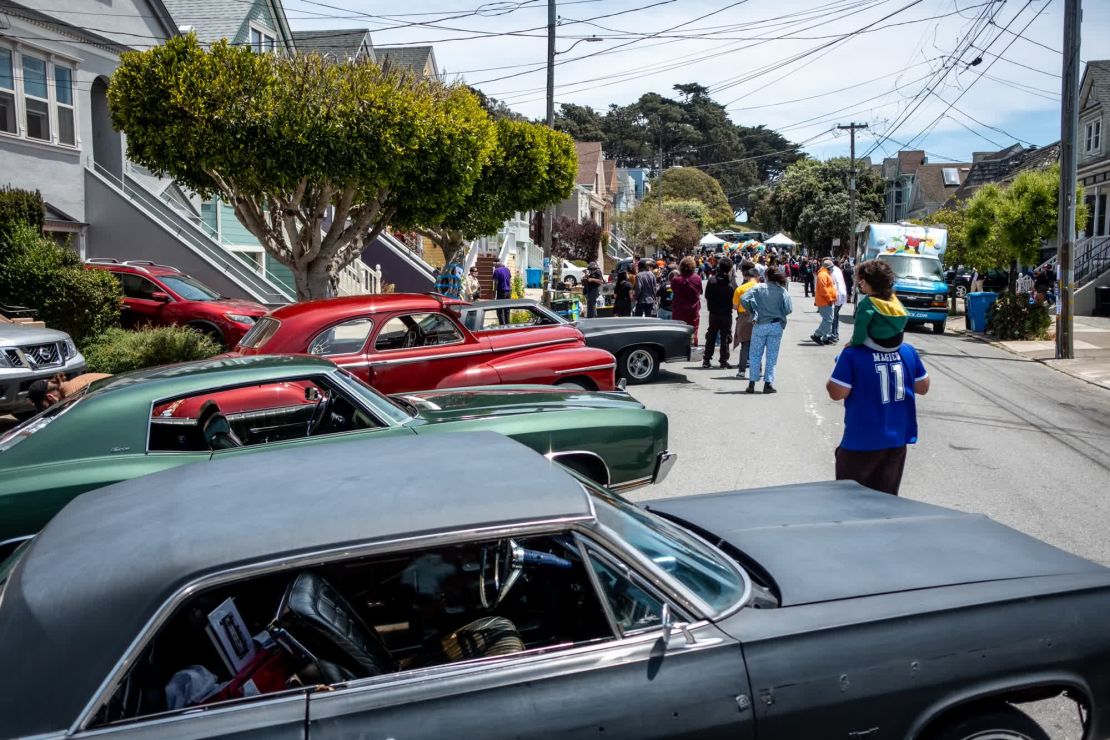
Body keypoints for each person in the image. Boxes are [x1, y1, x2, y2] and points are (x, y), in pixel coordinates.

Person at [826, 340, 930, 495]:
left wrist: (841, 360)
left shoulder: (853, 354)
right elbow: (923, 387)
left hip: (860, 443)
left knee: (850, 503)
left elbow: (836, 392)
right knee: (885, 502)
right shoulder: (907, 350)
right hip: (896, 443)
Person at [741, 267, 793, 394]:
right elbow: (789, 308)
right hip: (776, 325)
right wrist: (780, 313)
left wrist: (753, 309)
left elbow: (743, 299)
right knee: (771, 356)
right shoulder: (782, 291)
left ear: (766, 276)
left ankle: (752, 384)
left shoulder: (758, 288)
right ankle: (768, 384)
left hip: (760, 324)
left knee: (755, 354)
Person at [851, 259, 908, 350]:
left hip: (879, 343)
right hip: (898, 342)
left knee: (847, 353)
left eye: (861, 281)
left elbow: (860, 331)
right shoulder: (892, 298)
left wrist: (852, 343)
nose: (860, 284)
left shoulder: (867, 303)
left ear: (870, 283)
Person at [703, 257, 734, 369]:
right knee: (725, 336)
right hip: (726, 313)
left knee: (711, 335)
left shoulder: (712, 280)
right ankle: (723, 361)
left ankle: (706, 359)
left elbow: (707, 296)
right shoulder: (731, 282)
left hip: (714, 313)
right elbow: (734, 299)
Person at [27, 372, 112, 411]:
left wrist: (59, 407)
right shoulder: (70, 386)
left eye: (45, 407)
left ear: (50, 397)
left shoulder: (73, 394)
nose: (47, 409)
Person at [732, 263, 759, 379]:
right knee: (757, 346)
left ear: (746, 276)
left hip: (744, 318)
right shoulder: (761, 287)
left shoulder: (740, 289)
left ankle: (741, 371)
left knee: (745, 345)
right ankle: (758, 370)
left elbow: (734, 306)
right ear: (757, 277)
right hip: (759, 318)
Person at [670, 256, 703, 346]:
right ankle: (693, 349)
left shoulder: (675, 280)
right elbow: (700, 292)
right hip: (693, 311)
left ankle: (679, 349)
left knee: (678, 331)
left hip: (678, 310)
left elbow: (674, 291)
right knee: (693, 331)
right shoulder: (697, 278)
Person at [812, 259, 838, 344]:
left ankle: (826, 337)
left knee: (829, 319)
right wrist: (830, 299)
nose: (833, 269)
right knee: (828, 320)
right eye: (831, 267)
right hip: (825, 301)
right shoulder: (823, 275)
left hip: (828, 301)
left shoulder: (826, 274)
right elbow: (823, 290)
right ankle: (817, 335)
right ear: (828, 267)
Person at [830, 258, 848, 342]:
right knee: (835, 315)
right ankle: (835, 334)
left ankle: (834, 335)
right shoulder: (838, 270)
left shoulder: (832, 271)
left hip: (837, 296)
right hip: (841, 294)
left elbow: (833, 285)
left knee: (833, 316)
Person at [492, 257, 513, 325]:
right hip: (508, 291)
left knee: (500, 310)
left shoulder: (497, 271)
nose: (494, 266)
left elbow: (496, 283)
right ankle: (507, 325)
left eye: (494, 264)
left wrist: (494, 294)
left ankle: (502, 326)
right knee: (507, 310)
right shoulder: (507, 269)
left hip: (501, 291)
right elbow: (510, 281)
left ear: (497, 263)